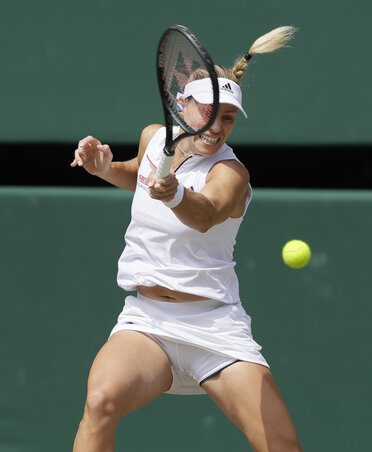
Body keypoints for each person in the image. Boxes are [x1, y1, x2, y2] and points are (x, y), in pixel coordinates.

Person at [71, 25, 303, 452]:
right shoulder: (154, 138)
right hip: (147, 323)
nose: (217, 126)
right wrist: (104, 167)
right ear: (182, 104)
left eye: (228, 117)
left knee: (281, 445)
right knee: (100, 402)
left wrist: (176, 194)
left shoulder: (230, 173)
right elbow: (138, 173)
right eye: (208, 112)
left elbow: (206, 214)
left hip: (215, 326)